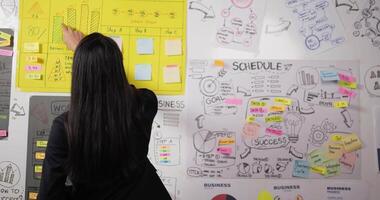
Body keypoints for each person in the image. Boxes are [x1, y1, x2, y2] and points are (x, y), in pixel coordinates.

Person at [38, 25, 171, 200]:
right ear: (118, 68)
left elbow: (49, 196)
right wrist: (90, 55)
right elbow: (132, 93)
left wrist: (86, 56)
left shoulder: (64, 128)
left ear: (78, 74)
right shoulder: (145, 103)